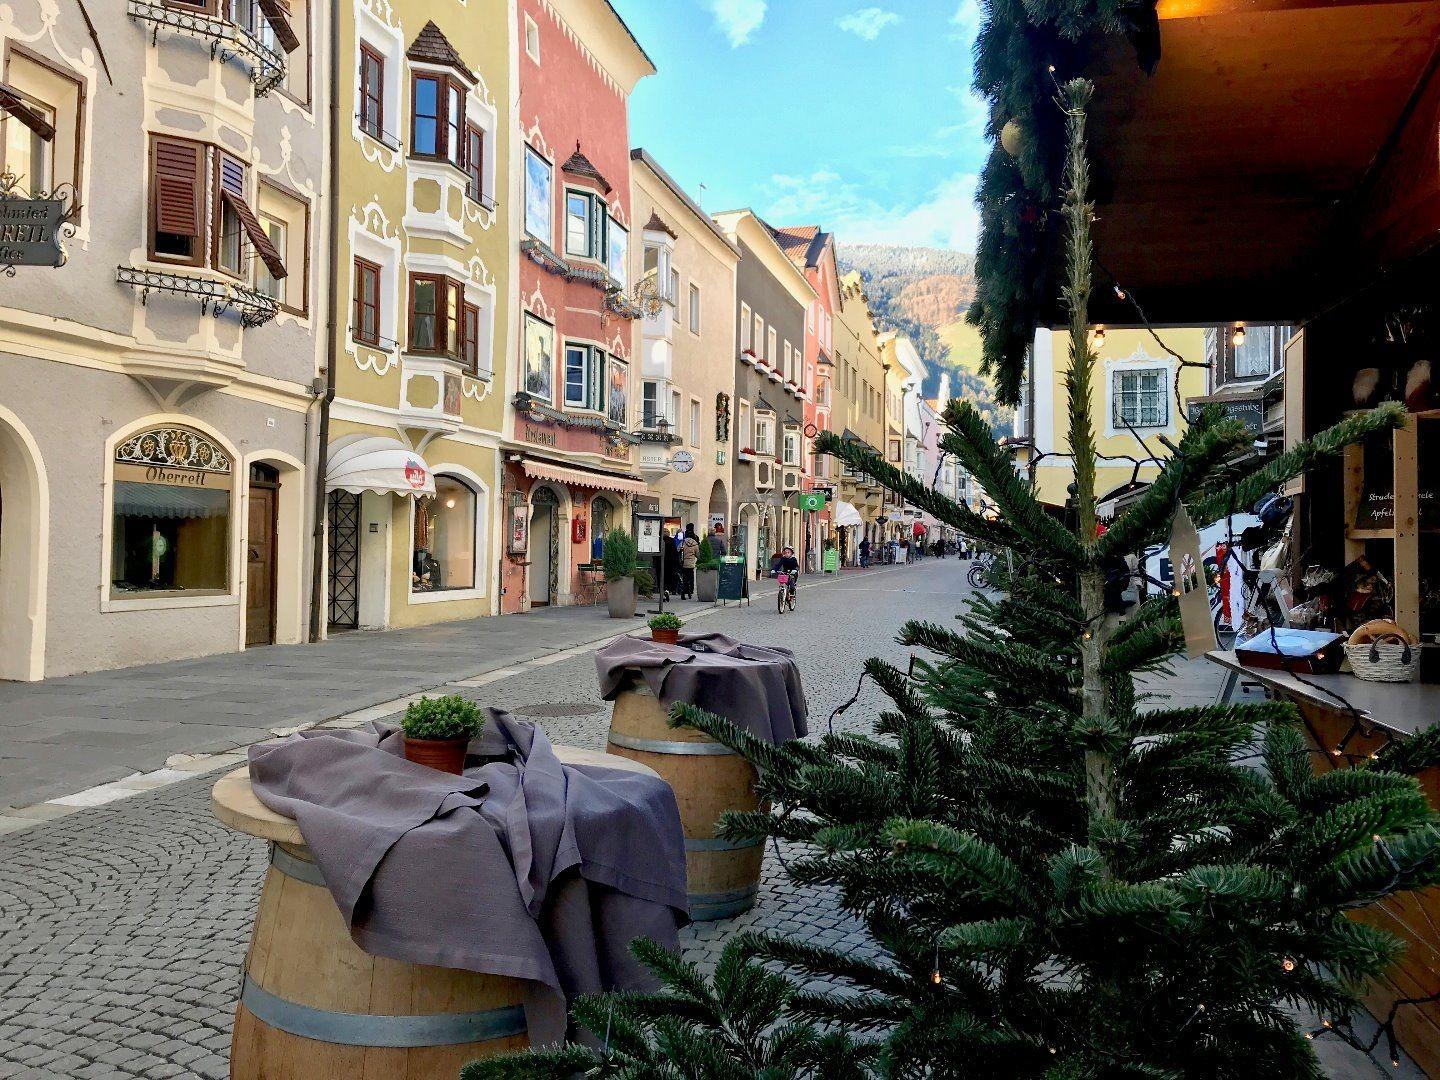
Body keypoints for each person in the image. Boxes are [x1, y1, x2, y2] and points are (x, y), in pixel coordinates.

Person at [679, 524, 700, 599]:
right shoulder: (695, 544)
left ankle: (683, 592)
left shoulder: (682, 542)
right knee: (691, 577)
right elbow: (698, 555)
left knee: (684, 578)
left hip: (684, 563)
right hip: (691, 564)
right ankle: (690, 590)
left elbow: (678, 550)